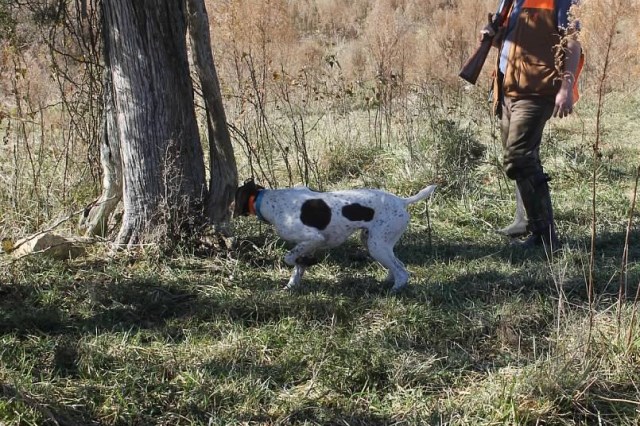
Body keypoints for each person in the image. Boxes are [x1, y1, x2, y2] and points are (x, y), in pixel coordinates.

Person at [484, 0, 584, 251]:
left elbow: (572, 41)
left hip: (537, 89)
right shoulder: (510, 2)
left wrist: (566, 87)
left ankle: (545, 236)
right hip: (507, 88)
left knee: (518, 158)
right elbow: (510, 43)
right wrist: (493, 37)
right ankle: (526, 222)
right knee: (523, 160)